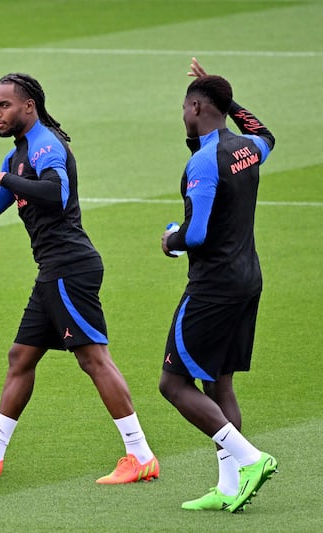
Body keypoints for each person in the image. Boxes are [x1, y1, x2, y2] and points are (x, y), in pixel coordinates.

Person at [0, 72, 158, 482]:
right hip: (53, 271)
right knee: (21, 357)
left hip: (70, 268)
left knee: (93, 358)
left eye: (4, 105)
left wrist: (4, 179)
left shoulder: (46, 145)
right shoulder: (16, 156)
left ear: (28, 106)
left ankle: (140, 454)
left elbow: (57, 194)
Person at [159, 58, 277, 512]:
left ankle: (250, 459)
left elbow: (197, 234)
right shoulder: (247, 146)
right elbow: (267, 135)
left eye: (186, 108)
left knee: (173, 384)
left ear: (196, 107)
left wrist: (170, 238)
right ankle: (230, 487)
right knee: (219, 384)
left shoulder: (204, 161)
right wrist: (230, 103)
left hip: (213, 288)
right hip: (248, 278)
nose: (183, 116)